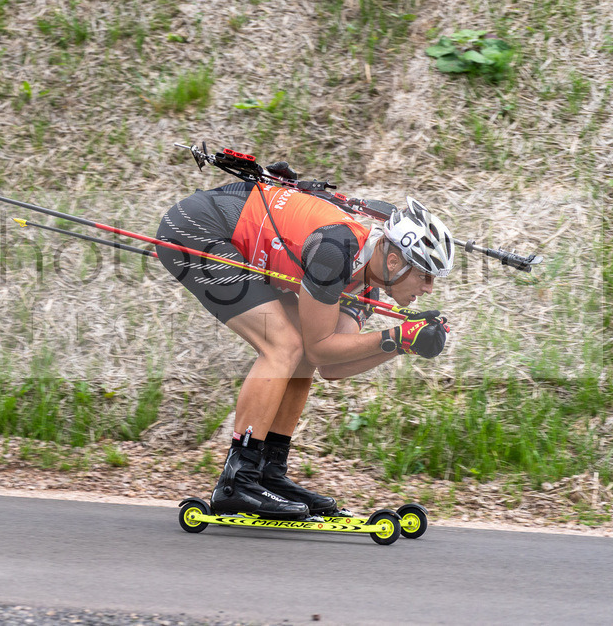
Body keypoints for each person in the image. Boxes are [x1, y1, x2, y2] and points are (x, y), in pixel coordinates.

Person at [155, 179, 454, 518]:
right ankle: (237, 479)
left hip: (236, 235)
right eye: (425, 276)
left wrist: (402, 345)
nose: (429, 289)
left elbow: (330, 365)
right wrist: (400, 336)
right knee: (283, 345)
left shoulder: (367, 287)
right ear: (396, 261)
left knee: (300, 352)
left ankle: (267, 472)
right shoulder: (335, 252)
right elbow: (322, 348)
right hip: (198, 229)